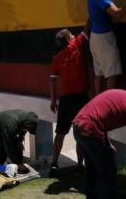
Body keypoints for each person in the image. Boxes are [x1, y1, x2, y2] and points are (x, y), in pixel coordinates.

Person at [73, 83, 126, 198]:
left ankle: (91, 196)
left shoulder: (121, 94)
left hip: (78, 127)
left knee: (91, 167)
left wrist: (107, 143)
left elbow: (103, 117)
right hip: (91, 131)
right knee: (108, 170)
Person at [49, 21, 91, 175]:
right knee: (80, 132)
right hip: (80, 97)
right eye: (72, 35)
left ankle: (54, 163)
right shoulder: (77, 45)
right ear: (69, 39)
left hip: (65, 99)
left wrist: (53, 100)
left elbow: (52, 80)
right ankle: (80, 165)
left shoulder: (56, 58)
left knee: (60, 132)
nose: (74, 35)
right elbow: (88, 28)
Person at [0, 109, 39, 175]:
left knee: (18, 147)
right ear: (24, 124)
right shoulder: (11, 126)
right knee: (3, 152)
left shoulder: (25, 119)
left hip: (5, 126)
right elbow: (8, 147)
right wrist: (18, 163)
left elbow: (23, 131)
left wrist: (20, 140)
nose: (26, 130)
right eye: (27, 129)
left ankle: (18, 166)